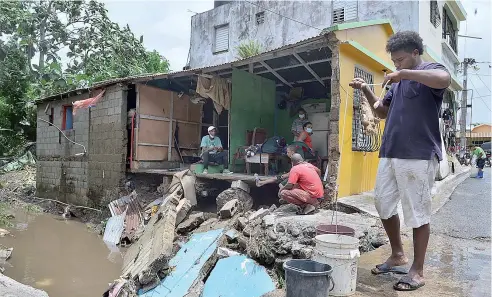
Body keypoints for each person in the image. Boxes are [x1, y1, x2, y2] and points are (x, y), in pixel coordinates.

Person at [349, 31, 451, 291]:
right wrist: (365, 91)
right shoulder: (396, 82)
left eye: (401, 60)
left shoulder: (429, 70)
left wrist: (405, 74)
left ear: (416, 53)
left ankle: (417, 271)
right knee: (382, 203)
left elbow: (444, 79)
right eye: (394, 61)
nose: (397, 65)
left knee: (416, 211)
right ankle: (397, 255)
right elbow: (381, 112)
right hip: (390, 151)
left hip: (417, 153)